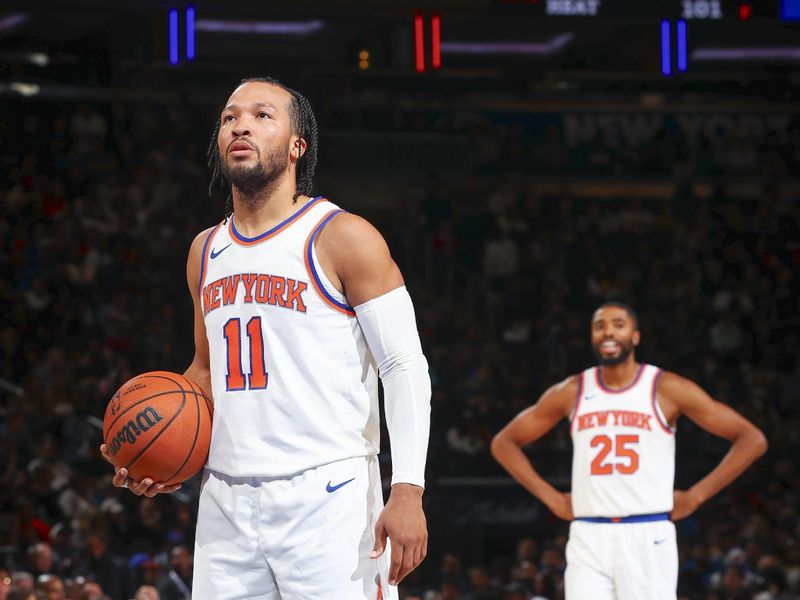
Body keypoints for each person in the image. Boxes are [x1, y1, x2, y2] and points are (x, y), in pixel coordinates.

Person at [100, 76, 431, 599]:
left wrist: (408, 488)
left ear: (297, 145)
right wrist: (154, 452)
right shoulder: (204, 251)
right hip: (226, 500)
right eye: (230, 116)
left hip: (328, 493)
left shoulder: (344, 236)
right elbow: (205, 372)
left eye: (262, 115)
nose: (241, 125)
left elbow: (404, 365)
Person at [491, 302, 767, 599]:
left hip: (647, 531)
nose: (608, 331)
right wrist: (552, 498)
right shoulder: (572, 391)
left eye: (618, 324)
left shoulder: (666, 388)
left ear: (635, 336)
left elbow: (751, 439)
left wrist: (697, 495)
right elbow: (503, 443)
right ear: (592, 336)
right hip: (589, 533)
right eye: (599, 325)